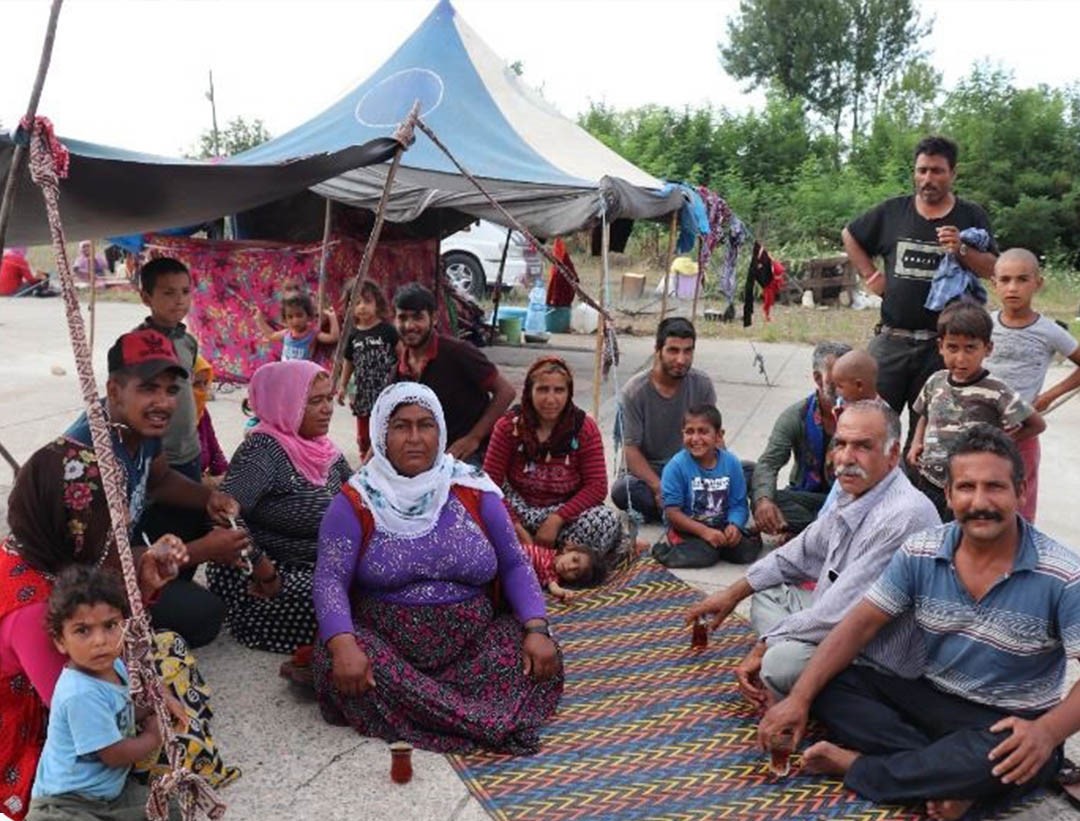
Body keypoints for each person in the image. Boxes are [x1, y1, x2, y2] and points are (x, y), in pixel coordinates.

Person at [758, 425, 1080, 821]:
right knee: (823, 680)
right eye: (966, 487)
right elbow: (858, 625)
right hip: (931, 697)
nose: (980, 501)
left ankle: (859, 767)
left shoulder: (1063, 575)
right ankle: (955, 781)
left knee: (1020, 753)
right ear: (948, 494)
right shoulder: (921, 552)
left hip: (1011, 719)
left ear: (1021, 491)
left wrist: (1047, 732)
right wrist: (800, 699)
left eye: (994, 487)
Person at [312, 383, 562, 753]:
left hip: (473, 647)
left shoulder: (473, 489)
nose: (415, 438)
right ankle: (486, 722)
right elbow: (329, 578)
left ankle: (435, 715)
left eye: (425, 425)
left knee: (535, 655)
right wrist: (344, 645)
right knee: (339, 663)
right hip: (388, 650)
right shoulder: (356, 500)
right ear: (381, 432)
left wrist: (537, 627)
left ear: (440, 430)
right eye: (400, 426)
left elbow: (513, 563)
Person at [687, 400, 939, 702]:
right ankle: (795, 657)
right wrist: (733, 593)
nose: (845, 458)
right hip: (834, 614)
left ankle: (824, 691)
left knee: (780, 665)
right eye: (841, 444)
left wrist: (765, 645)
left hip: (873, 653)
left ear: (893, 454)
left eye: (862, 447)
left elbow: (840, 616)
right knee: (767, 592)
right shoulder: (858, 490)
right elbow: (801, 551)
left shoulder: (904, 516)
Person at [64, 329, 248, 647]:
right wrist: (204, 550)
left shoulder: (139, 422)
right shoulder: (88, 457)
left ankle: (164, 585)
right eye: (149, 388)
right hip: (83, 577)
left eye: (171, 389)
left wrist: (210, 497)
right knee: (205, 617)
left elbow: (160, 480)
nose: (163, 402)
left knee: (197, 511)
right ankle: (116, 632)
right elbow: (106, 561)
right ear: (115, 390)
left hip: (122, 546)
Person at [843, 136, 998, 437]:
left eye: (937, 171)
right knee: (871, 428)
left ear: (953, 173)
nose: (928, 179)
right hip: (891, 340)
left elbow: (994, 269)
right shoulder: (892, 211)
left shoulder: (971, 216)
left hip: (941, 348)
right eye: (922, 170)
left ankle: (919, 484)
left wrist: (962, 250)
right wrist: (871, 277)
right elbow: (850, 234)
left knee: (929, 438)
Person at [207, 360, 352, 654]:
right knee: (344, 602)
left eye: (328, 398)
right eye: (314, 401)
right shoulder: (263, 451)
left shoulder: (324, 450)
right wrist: (265, 571)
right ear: (285, 402)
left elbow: (361, 497)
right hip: (272, 575)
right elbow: (224, 518)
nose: (328, 408)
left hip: (323, 565)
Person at [27, 566, 177, 821]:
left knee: (173, 808)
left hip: (110, 793)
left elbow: (122, 710)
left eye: (110, 625)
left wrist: (157, 704)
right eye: (83, 630)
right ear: (60, 641)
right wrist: (154, 736)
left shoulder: (116, 665)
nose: (100, 641)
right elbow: (114, 755)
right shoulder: (79, 693)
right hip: (67, 805)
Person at [907, 302, 1044, 520]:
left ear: (987, 349)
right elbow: (924, 413)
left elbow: (1036, 424)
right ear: (941, 346)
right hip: (931, 481)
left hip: (968, 489)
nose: (960, 358)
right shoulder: (935, 381)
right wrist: (917, 442)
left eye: (970, 348)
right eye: (953, 348)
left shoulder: (996, 390)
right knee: (930, 536)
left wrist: (1000, 443)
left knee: (962, 540)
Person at [483, 356, 621, 558]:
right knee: (475, 515)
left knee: (605, 520)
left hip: (565, 511)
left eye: (559, 390)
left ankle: (544, 559)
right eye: (542, 389)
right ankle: (547, 557)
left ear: (569, 393)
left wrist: (556, 519)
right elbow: (489, 484)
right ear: (530, 392)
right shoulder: (508, 426)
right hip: (518, 508)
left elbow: (597, 487)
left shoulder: (584, 428)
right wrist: (516, 527)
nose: (550, 399)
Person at [984, 248, 1080, 523]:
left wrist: (1048, 397)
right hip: (980, 426)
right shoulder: (984, 325)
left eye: (1022, 279)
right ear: (994, 283)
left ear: (1038, 283)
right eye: (1005, 280)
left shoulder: (1049, 331)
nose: (1013, 288)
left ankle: (1019, 560)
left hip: (1022, 432)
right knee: (979, 499)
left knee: (1018, 503)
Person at [393, 283, 515, 465]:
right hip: (431, 456)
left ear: (434, 318)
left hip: (470, 454)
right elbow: (387, 419)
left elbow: (506, 392)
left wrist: (473, 438)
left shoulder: (458, 352)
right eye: (402, 318)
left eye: (418, 317)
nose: (409, 326)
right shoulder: (400, 368)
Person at [612, 317, 716, 522]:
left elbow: (711, 439)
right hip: (649, 473)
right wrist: (660, 489)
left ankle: (678, 509)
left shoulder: (702, 385)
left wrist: (718, 475)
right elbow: (631, 452)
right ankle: (684, 510)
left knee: (747, 472)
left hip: (689, 469)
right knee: (623, 491)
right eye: (673, 350)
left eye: (688, 351)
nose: (681, 359)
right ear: (658, 350)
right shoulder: (634, 392)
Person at [134, 257, 204, 545]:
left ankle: (182, 583)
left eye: (185, 291)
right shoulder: (137, 344)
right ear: (146, 297)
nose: (179, 301)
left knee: (191, 525)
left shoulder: (187, 342)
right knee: (162, 534)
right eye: (168, 293)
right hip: (158, 457)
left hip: (189, 451)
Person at [751, 341, 850, 538]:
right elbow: (769, 463)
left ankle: (806, 534)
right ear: (817, 378)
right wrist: (764, 501)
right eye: (836, 381)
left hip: (850, 500)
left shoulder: (867, 415)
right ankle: (821, 532)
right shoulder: (796, 415)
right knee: (751, 479)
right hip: (806, 498)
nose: (844, 388)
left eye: (849, 379)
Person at [652, 404, 760, 568]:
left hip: (720, 524)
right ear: (682, 434)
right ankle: (663, 552)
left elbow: (738, 504)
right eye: (689, 432)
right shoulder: (675, 467)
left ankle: (720, 543)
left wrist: (734, 525)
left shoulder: (731, 463)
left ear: (718, 435)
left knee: (745, 553)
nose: (695, 439)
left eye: (703, 431)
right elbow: (672, 513)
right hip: (688, 527)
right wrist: (704, 532)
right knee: (705, 555)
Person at [336, 279, 399, 455]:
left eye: (367, 301)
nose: (362, 307)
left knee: (386, 430)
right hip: (363, 393)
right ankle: (365, 463)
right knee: (364, 436)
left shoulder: (388, 330)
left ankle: (388, 463)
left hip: (386, 391)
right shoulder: (352, 334)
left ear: (377, 303)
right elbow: (349, 361)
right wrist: (342, 386)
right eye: (356, 303)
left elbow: (402, 355)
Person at [253, 293, 340, 362]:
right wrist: (259, 319)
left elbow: (333, 337)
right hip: (286, 374)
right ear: (285, 320)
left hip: (303, 377)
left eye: (299, 315)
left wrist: (332, 317)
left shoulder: (313, 334)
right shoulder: (286, 333)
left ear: (309, 316)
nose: (295, 321)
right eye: (290, 317)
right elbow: (271, 335)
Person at [522, 541, 605, 602]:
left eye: (575, 573)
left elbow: (554, 588)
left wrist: (564, 592)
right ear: (568, 550)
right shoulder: (550, 552)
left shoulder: (552, 574)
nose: (570, 567)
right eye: (574, 559)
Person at [192, 355, 229, 487]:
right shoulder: (165, 423)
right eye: (196, 384)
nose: (203, 390)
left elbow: (216, 454)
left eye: (205, 383)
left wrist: (226, 476)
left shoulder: (202, 414)